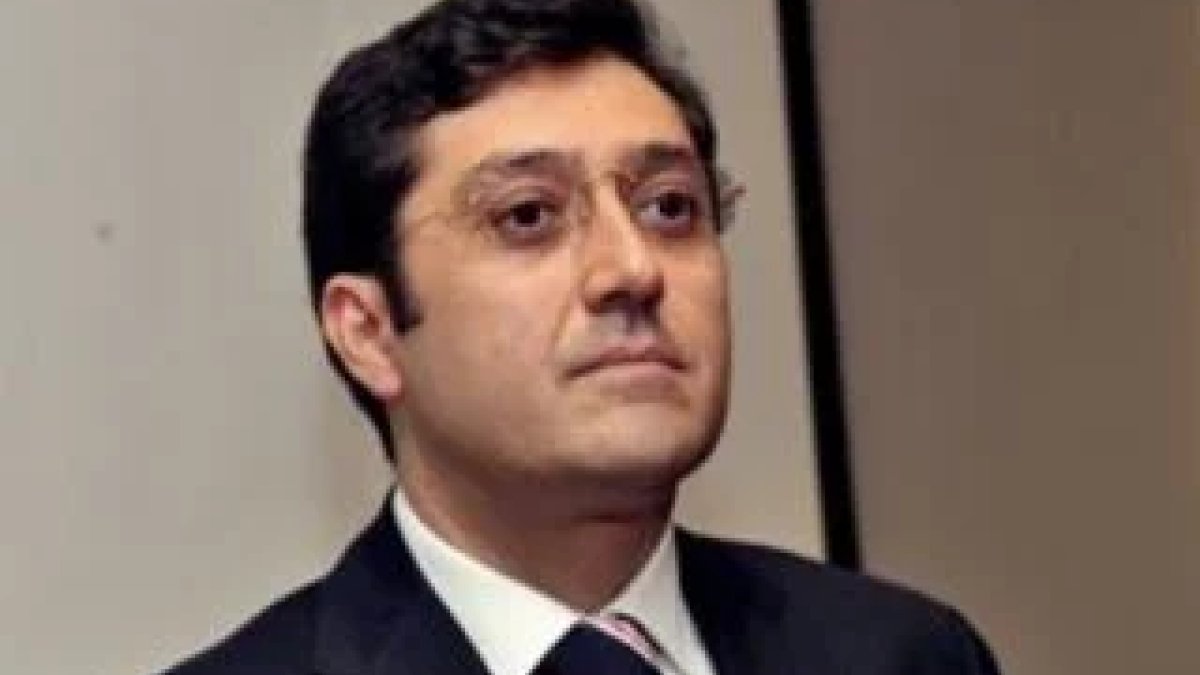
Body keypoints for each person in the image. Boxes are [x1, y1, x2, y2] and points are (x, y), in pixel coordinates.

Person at [164, 0, 1001, 673]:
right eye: (529, 215)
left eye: (670, 207)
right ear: (370, 332)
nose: (633, 269)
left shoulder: (905, 654)